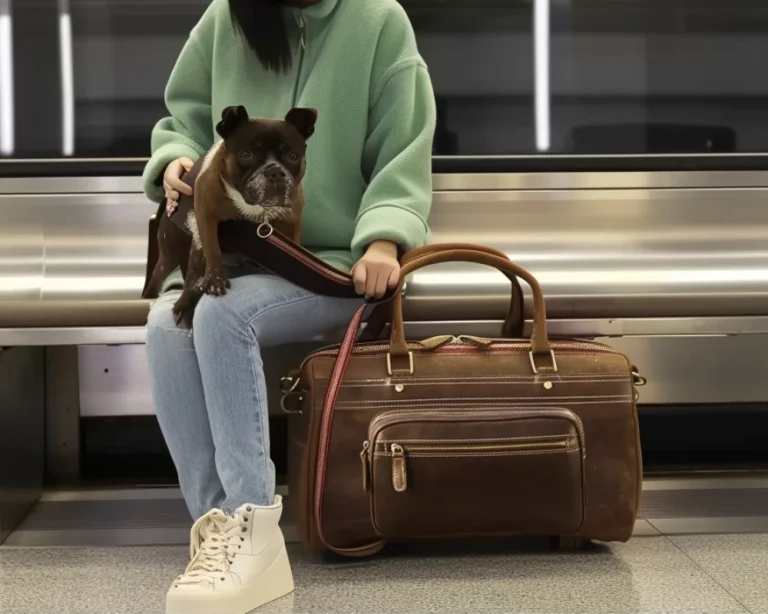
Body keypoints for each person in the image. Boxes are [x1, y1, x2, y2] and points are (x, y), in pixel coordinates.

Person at [141, 0, 436, 612]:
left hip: (330, 261)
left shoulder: (378, 20)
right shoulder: (226, 18)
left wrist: (384, 238)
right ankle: (220, 531)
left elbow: (404, 149)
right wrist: (174, 160)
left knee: (223, 314)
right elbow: (184, 120)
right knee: (166, 326)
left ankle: (253, 529)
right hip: (231, 250)